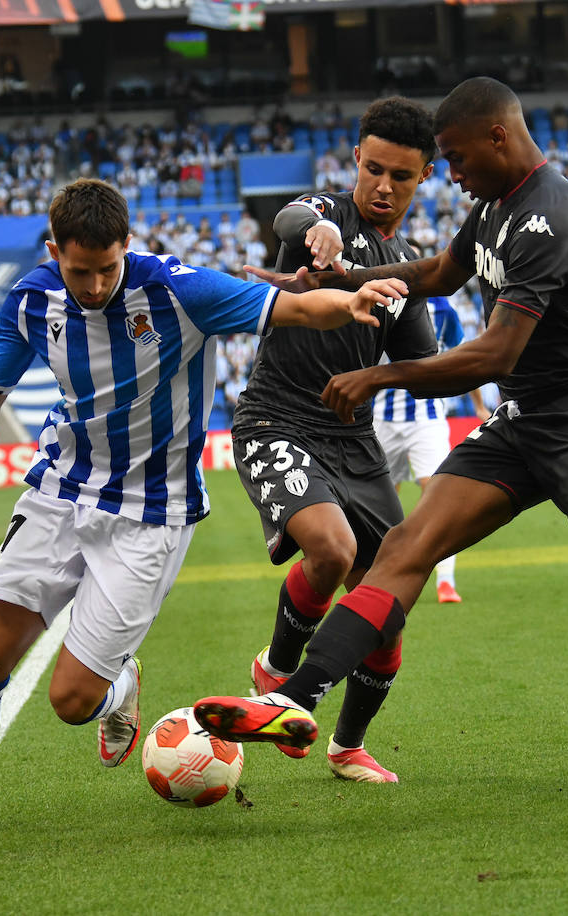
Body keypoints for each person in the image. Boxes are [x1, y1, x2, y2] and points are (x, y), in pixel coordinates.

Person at [195, 78, 568, 804]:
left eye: (451, 157)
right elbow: (435, 274)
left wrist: (381, 378)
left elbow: (495, 354)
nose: (448, 173)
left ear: (497, 139)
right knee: (404, 550)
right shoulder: (494, 207)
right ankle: (296, 698)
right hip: (523, 419)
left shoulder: (549, 217)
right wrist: (352, 279)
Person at [0, 178, 407, 840]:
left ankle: (118, 686)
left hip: (151, 515)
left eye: (108, 268)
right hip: (60, 493)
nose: (96, 285)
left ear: (127, 247)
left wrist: (350, 299)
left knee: (71, 703)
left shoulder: (177, 291)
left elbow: (295, 309)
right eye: (81, 270)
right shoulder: (31, 299)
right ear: (54, 252)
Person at [230, 97, 439, 784]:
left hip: (355, 445)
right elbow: (294, 219)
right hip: (277, 421)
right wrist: (317, 233)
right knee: (333, 546)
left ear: (423, 177)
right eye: (373, 169)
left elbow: (421, 363)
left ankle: (346, 745)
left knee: (390, 606)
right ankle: (278, 670)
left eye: (400, 177)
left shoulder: (407, 266)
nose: (383, 186)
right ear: (355, 160)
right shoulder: (324, 214)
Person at [370, 293, 490, 604]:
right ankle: (378, 573)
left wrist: (478, 405)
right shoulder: (379, 303)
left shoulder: (443, 309)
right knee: (378, 500)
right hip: (383, 418)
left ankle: (445, 581)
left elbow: (462, 353)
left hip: (429, 418)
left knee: (438, 496)